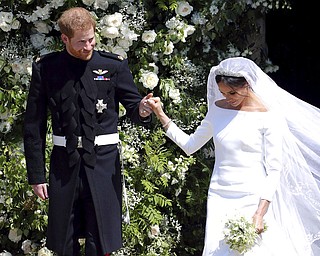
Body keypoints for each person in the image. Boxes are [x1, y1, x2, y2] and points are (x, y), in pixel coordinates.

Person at [147, 57, 320, 255]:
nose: (227, 97)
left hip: (253, 197)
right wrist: (160, 113)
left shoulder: (269, 116)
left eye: (232, 92)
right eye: (222, 92)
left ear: (247, 85)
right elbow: (190, 145)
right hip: (219, 195)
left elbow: (274, 169)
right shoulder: (217, 110)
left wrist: (260, 213)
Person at [23, 7, 153, 256]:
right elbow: (33, 123)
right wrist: (37, 175)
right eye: (81, 42)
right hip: (64, 163)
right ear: (65, 39)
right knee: (64, 237)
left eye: (91, 39)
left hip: (103, 162)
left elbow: (134, 106)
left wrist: (144, 109)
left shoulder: (112, 65)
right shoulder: (47, 68)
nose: (88, 46)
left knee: (101, 236)